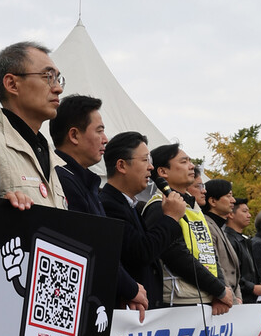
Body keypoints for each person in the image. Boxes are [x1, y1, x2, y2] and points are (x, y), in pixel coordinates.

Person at [50, 96, 146, 317]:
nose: (105, 139)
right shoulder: (62, 180)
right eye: (99, 131)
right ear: (74, 135)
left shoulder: (86, 182)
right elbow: (88, 245)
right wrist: (130, 288)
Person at [0, 41, 66, 210]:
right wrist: (6, 213)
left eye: (58, 79)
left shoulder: (52, 158)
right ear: (12, 84)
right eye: (48, 77)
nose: (58, 88)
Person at [142, 144, 233, 314]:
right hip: (179, 302)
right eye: (184, 162)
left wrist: (219, 291)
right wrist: (219, 290)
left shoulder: (194, 206)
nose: (192, 166)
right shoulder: (158, 206)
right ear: (162, 172)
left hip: (205, 297)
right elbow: (175, 255)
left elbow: (210, 253)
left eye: (191, 161)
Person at [100, 132, 186, 311]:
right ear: (122, 165)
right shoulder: (109, 204)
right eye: (145, 160)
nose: (151, 167)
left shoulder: (129, 204)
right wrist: (170, 218)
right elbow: (141, 252)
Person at [203, 179, 242, 301]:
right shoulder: (207, 225)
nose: (233, 200)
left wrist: (238, 297)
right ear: (213, 201)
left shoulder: (218, 226)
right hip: (223, 299)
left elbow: (234, 272)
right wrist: (233, 300)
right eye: (229, 196)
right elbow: (216, 266)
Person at [225, 199, 261, 302]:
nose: (249, 215)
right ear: (231, 214)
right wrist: (252, 287)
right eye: (244, 211)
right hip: (239, 300)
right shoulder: (229, 240)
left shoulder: (244, 240)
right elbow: (230, 274)